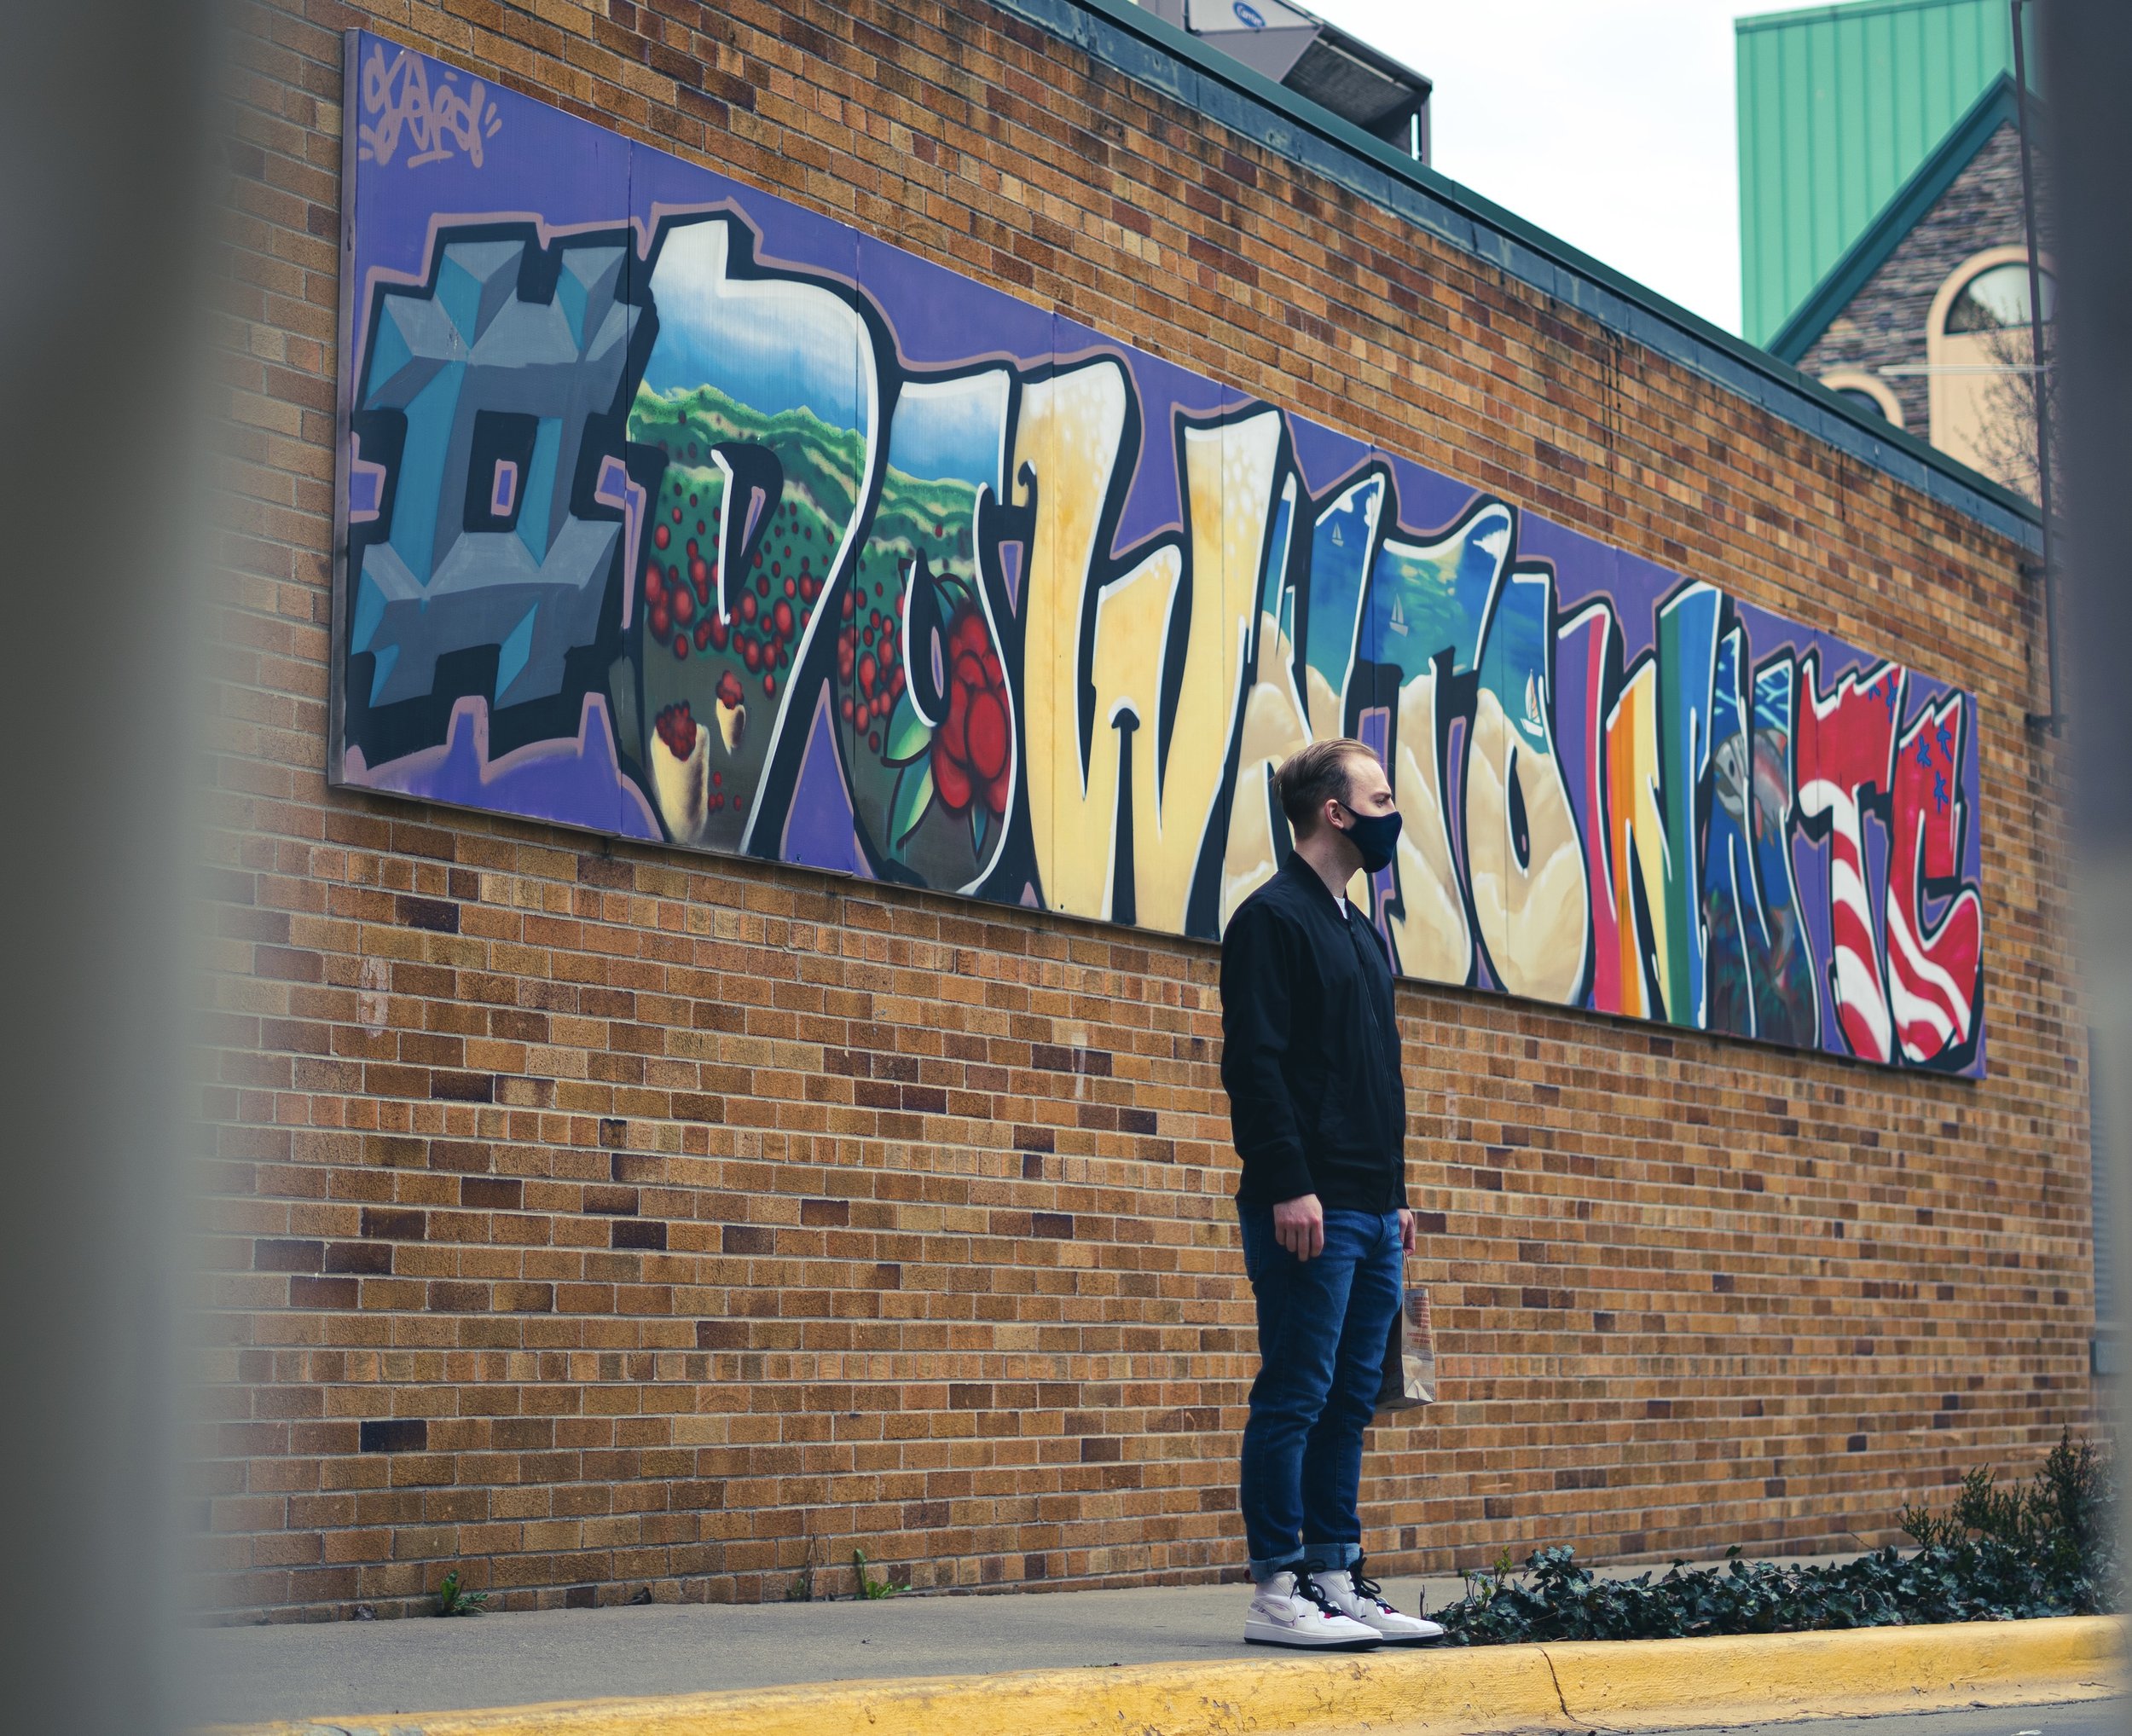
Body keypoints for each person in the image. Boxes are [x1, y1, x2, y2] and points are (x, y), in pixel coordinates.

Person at [1218, 738, 1444, 1649]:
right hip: (1307, 1205)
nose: (1394, 811)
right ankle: (1276, 1585)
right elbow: (1255, 1066)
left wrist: (1394, 1194)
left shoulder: (1358, 929)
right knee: (1296, 1394)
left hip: (1369, 1207)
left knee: (1351, 1397)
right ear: (1334, 811)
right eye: (1380, 795)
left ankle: (1333, 1571)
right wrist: (1287, 1184)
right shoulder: (1271, 918)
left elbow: (1371, 1074)